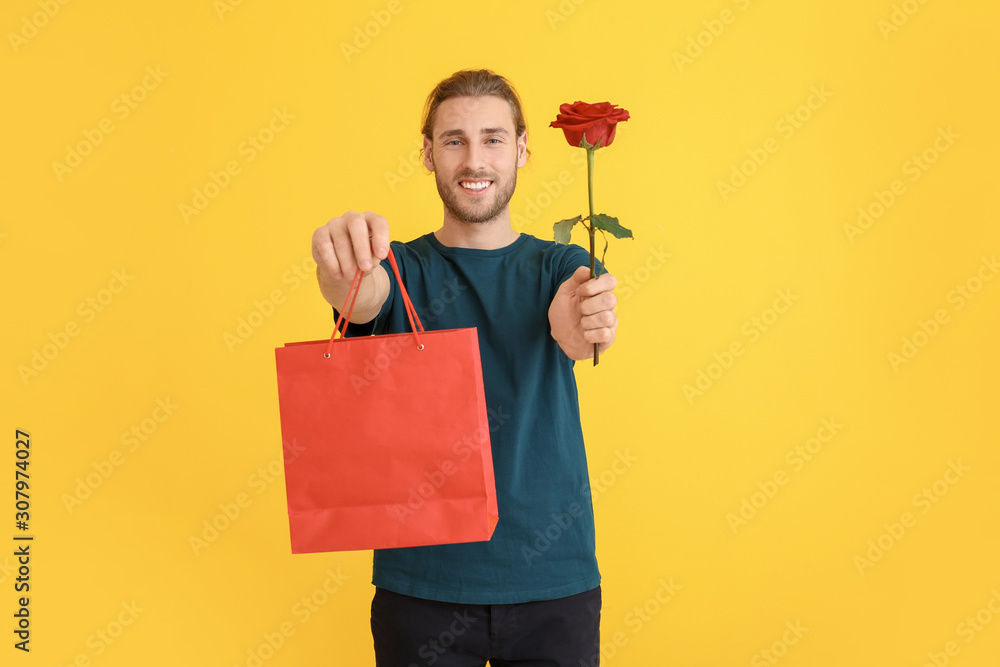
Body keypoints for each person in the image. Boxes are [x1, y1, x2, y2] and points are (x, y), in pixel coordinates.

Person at [311, 69, 618, 666]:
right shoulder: (399, 269)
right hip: (422, 587)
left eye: (493, 138)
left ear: (522, 149)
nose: (474, 158)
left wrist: (581, 326)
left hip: (555, 583)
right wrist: (342, 266)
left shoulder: (562, 264)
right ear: (428, 154)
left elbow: (574, 333)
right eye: (454, 140)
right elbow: (363, 294)